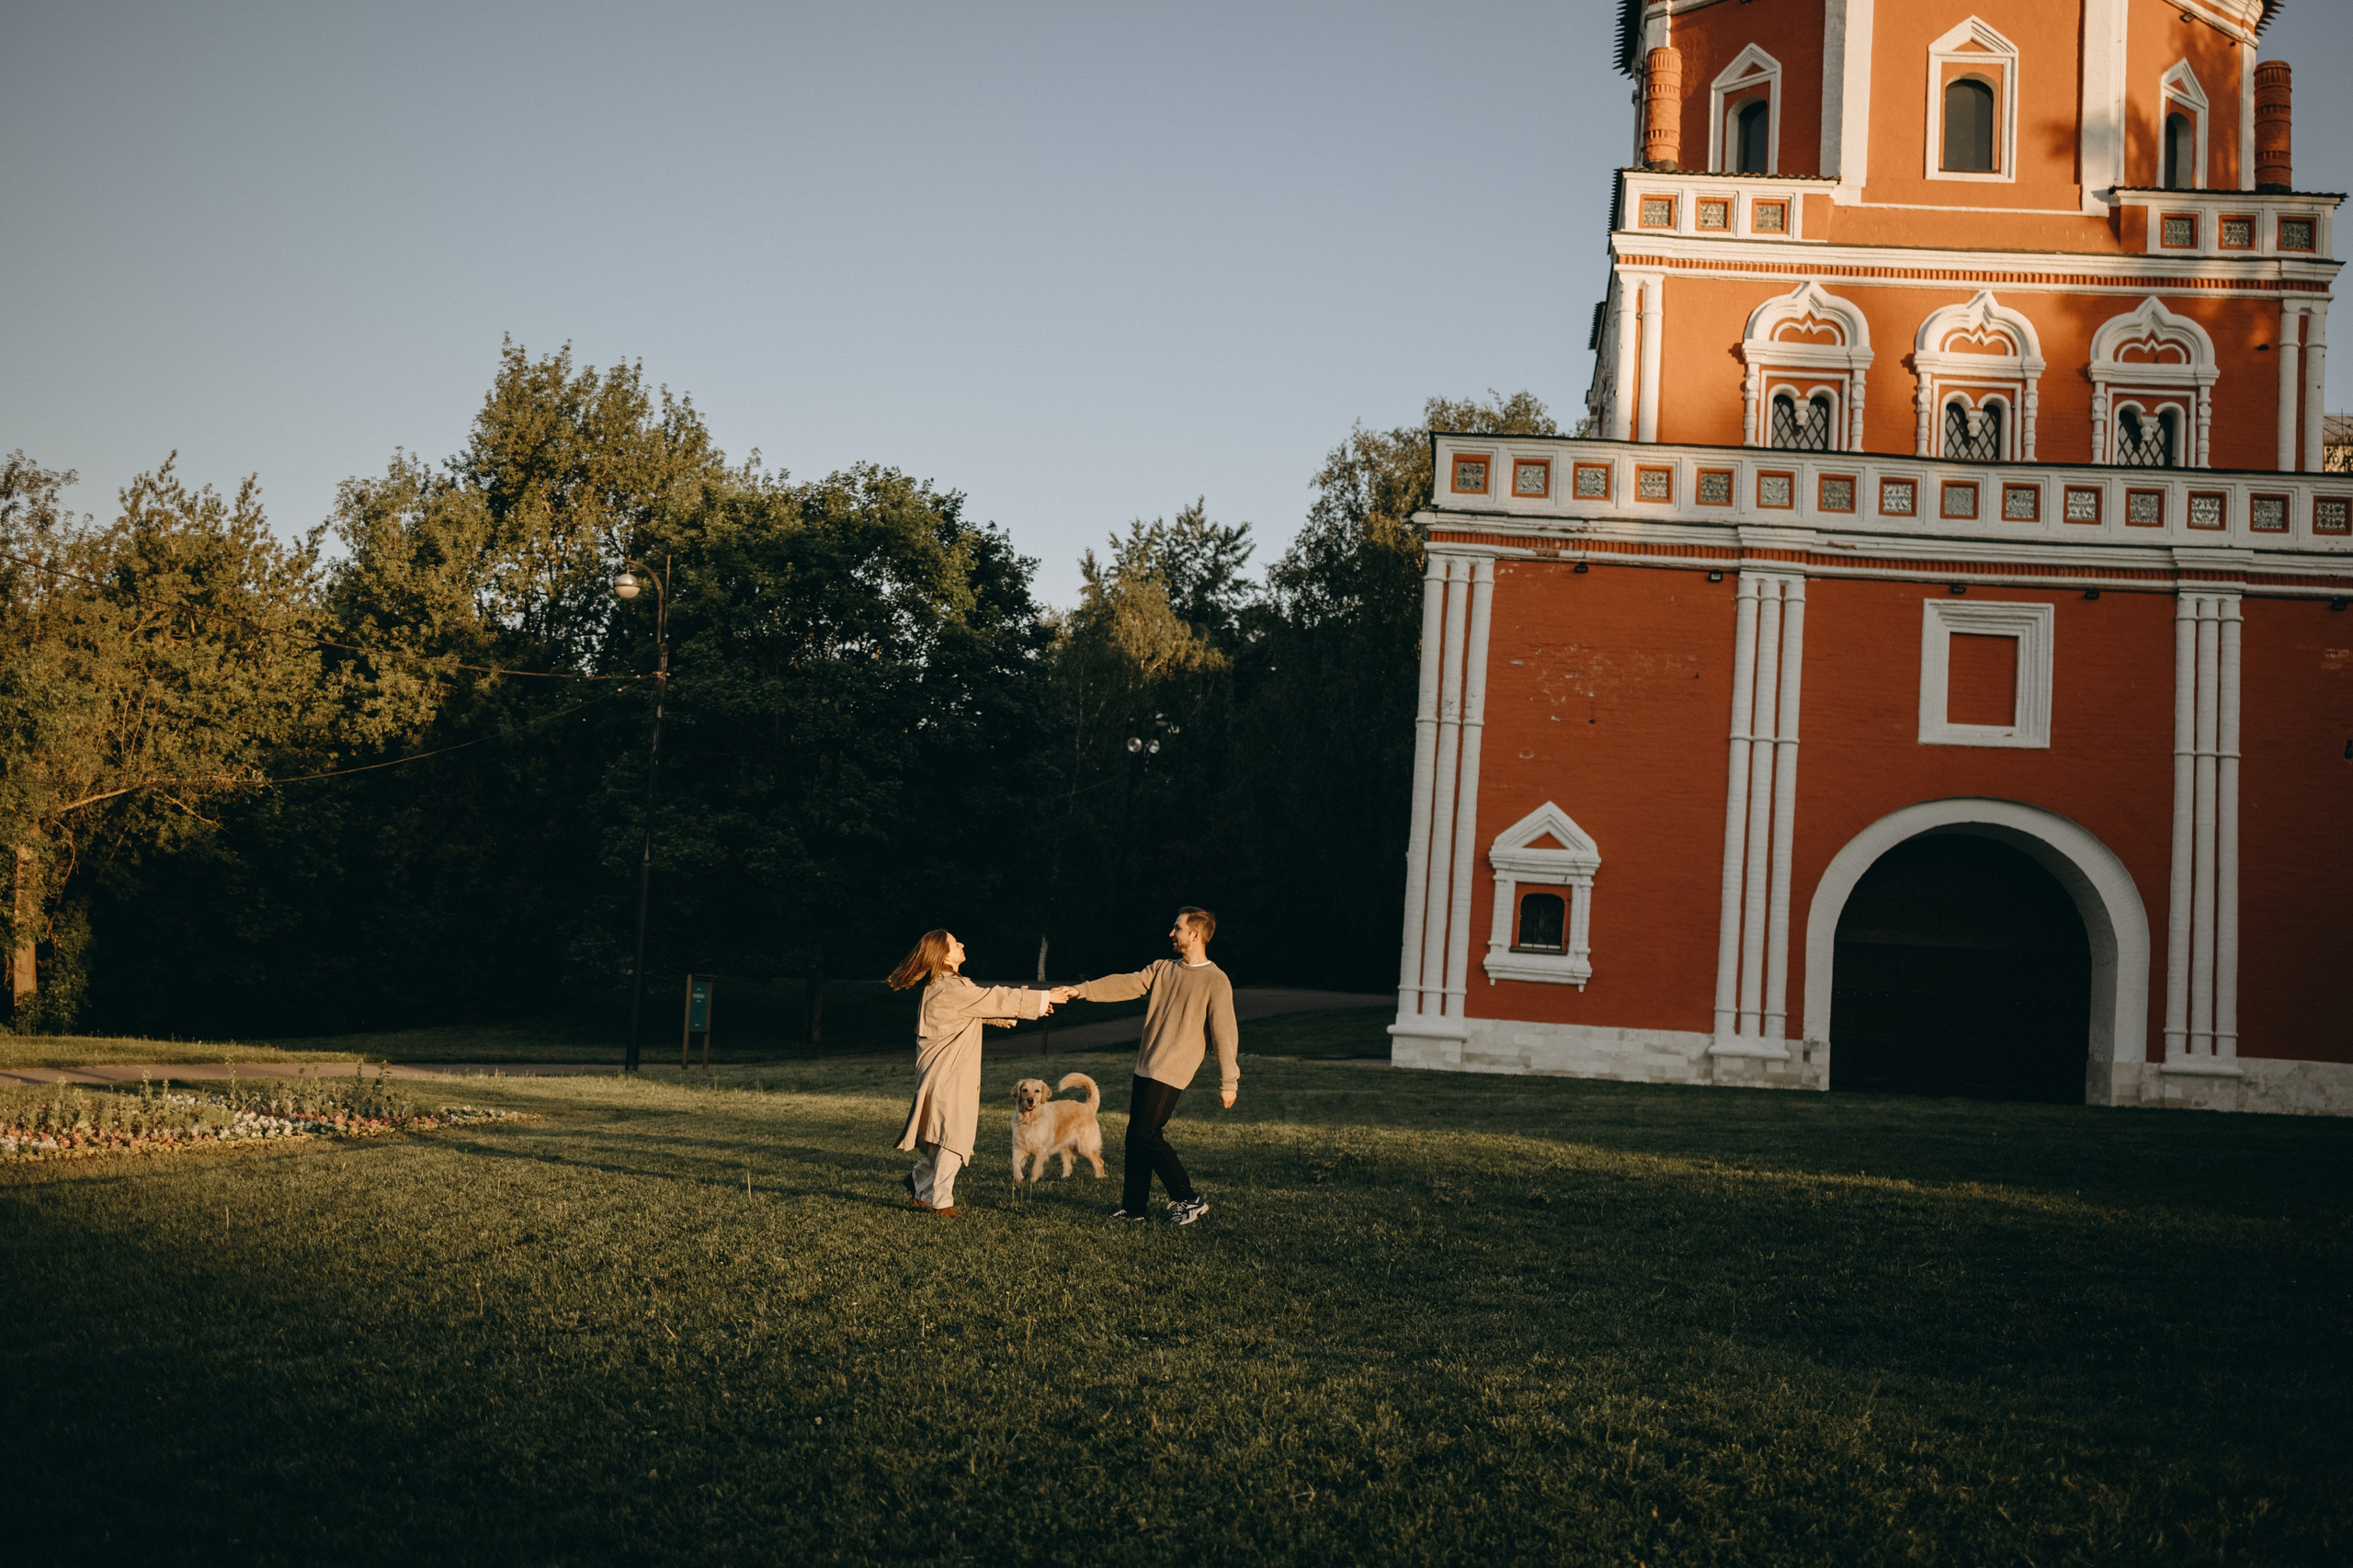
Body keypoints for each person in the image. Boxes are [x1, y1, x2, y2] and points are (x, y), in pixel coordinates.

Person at [1051, 906, 1237, 1225]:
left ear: (1195, 934)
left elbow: (1225, 1032)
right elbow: (1126, 984)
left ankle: (1188, 1198)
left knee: (1146, 1133)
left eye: (1177, 928)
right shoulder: (1164, 969)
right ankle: (1134, 1208)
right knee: (1134, 1137)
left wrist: (1229, 1080)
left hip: (1173, 1070)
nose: (1171, 933)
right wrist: (1082, 990)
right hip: (1147, 1065)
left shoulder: (1216, 981)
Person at [887, 929, 1052, 1218]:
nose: (962, 943)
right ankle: (942, 1203)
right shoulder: (948, 987)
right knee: (952, 1138)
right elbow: (993, 998)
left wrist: (1032, 1007)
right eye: (954, 942)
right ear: (942, 954)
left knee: (943, 1139)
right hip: (947, 1076)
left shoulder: (948, 985)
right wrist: (1045, 998)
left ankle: (919, 1185)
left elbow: (982, 1006)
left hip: (948, 1074)